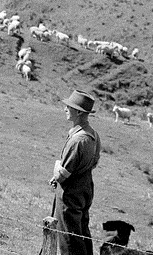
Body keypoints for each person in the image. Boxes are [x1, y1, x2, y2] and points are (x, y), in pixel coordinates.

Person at [49, 89, 102, 255]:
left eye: (69, 107)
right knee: (82, 236)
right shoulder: (94, 136)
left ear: (78, 112)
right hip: (85, 191)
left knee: (68, 242)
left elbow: (61, 175)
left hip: (69, 195)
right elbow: (93, 163)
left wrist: (57, 164)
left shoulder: (78, 140)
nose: (65, 109)